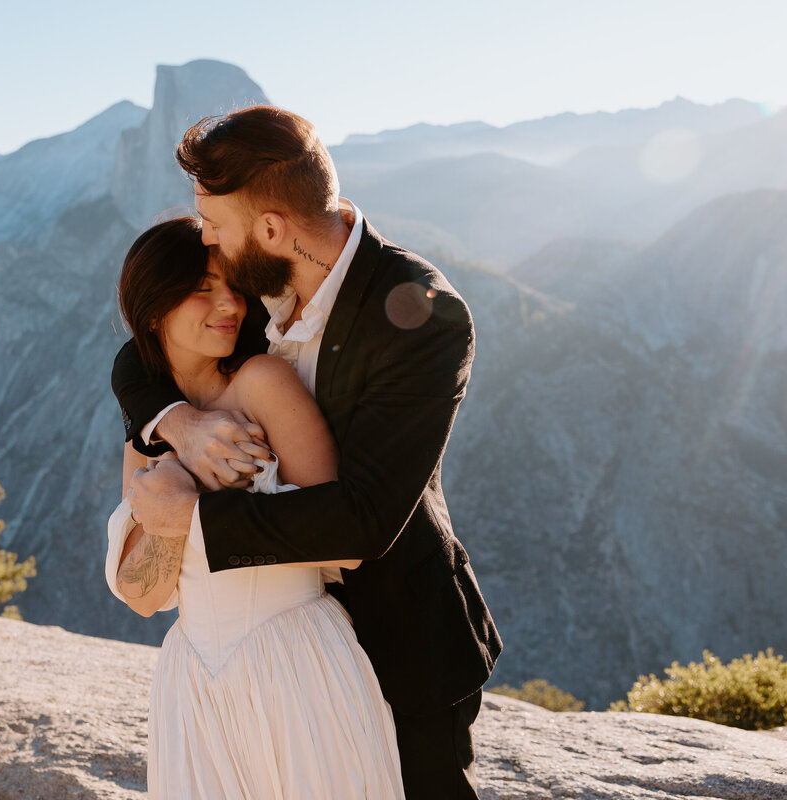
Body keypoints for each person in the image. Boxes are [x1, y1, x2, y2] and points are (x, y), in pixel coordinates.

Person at [112, 106, 502, 799]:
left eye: (216, 226)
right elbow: (141, 353)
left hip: (400, 637)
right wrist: (178, 422)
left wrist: (188, 521)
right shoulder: (257, 288)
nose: (208, 240)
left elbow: (366, 520)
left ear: (269, 229)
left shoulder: (421, 318)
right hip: (252, 663)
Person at [105, 216, 405, 799]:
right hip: (192, 677)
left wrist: (188, 513)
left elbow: (339, 544)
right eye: (202, 288)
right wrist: (169, 499)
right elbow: (143, 597)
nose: (230, 305)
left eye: (233, 287)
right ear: (152, 310)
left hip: (296, 661)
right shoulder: (147, 431)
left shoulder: (264, 382)